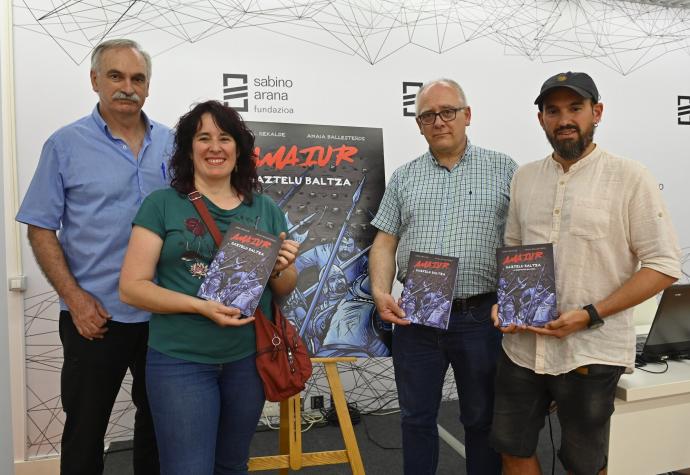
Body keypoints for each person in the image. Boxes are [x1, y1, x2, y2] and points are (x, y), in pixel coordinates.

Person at [489, 71, 681, 475]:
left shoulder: (630, 177)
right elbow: (515, 252)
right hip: (522, 349)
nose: (564, 119)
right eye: (553, 110)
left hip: (591, 350)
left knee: (584, 462)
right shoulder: (524, 177)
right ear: (541, 118)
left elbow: (664, 265)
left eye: (575, 108)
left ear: (597, 112)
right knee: (512, 447)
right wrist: (505, 304)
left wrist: (590, 314)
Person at [15, 38, 171, 475]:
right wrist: (75, 298)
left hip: (164, 315)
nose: (127, 87)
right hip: (95, 317)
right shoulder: (65, 144)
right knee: (85, 431)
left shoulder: (174, 144)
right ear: (94, 80)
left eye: (137, 78)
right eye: (116, 76)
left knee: (158, 428)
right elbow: (40, 226)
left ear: (148, 86)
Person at [119, 100, 299, 475]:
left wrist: (281, 267)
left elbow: (284, 288)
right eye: (203, 138)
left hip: (248, 361)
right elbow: (132, 288)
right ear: (188, 149)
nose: (215, 147)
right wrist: (200, 306)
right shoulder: (162, 205)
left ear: (239, 149)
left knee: (232, 466)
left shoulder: (265, 209)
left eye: (225, 137)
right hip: (180, 360)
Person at [369, 78, 518, 475]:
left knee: (481, 419)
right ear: (419, 124)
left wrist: (517, 299)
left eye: (447, 112)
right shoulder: (404, 177)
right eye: (428, 115)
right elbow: (384, 242)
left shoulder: (503, 168)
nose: (439, 121)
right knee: (416, 419)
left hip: (480, 316)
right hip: (417, 315)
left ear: (467, 116)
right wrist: (381, 292)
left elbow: (522, 239)